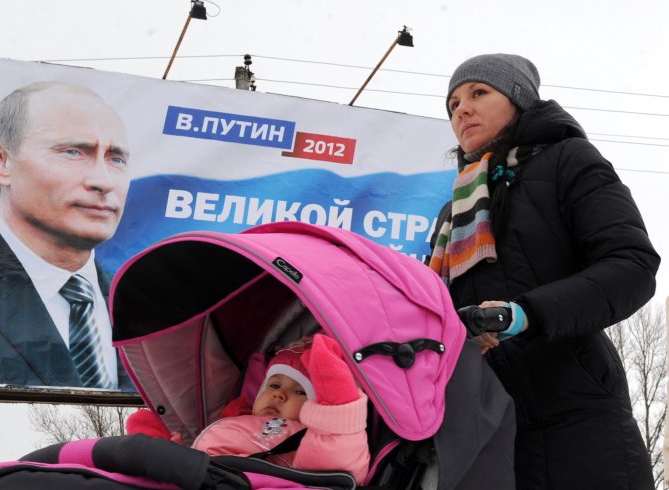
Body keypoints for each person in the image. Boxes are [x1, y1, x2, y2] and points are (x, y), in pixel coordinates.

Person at [426, 53, 660, 489]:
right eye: (453, 103)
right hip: (482, 427)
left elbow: (632, 265)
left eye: (479, 92)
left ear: (519, 101)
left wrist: (524, 313)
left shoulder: (569, 161)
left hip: (577, 418)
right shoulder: (453, 209)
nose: (462, 109)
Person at [0, 81, 133, 390]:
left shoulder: (141, 305)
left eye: (116, 158)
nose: (103, 181)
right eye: (73, 152)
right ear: (0, 160)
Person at [125, 334, 370, 483]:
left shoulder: (305, 436)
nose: (279, 394)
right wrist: (168, 449)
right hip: (201, 473)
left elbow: (332, 463)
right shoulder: (235, 419)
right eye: (274, 384)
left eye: (300, 391)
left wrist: (338, 410)